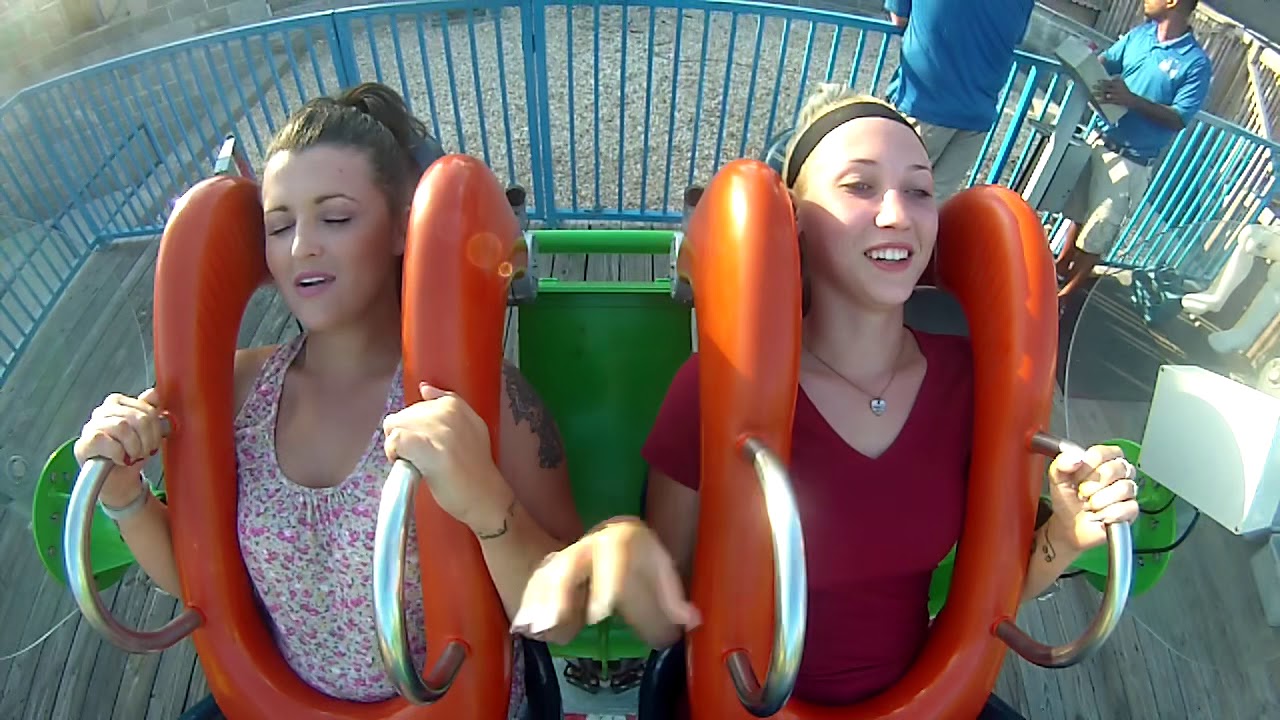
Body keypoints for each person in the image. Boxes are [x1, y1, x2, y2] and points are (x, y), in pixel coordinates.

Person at [509, 87, 1140, 716]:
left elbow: (991, 600)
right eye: (859, 186)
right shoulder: (714, 386)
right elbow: (667, 623)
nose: (897, 214)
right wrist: (623, 544)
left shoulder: (969, 384)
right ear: (795, 222)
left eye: (919, 190)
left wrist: (1063, 534)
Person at [73, 82, 583, 717]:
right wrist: (125, 491)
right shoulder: (236, 390)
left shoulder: (489, 400)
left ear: (403, 230)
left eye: (335, 218)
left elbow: (562, 619)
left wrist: (486, 502)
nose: (301, 247)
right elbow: (200, 581)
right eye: (279, 225)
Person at [1056, 0, 1213, 298]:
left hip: (1132, 161)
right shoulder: (1140, 35)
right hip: (1100, 140)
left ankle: (1066, 297)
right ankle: (1059, 268)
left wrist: (1133, 101)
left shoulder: (1195, 63)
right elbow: (1106, 64)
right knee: (1076, 215)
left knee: (1099, 232)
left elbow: (1179, 118)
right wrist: (1088, 59)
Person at [883, 0, 1036, 201]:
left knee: (887, 191)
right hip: (978, 112)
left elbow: (899, 18)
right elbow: (1015, 37)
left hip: (923, 101)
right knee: (931, 202)